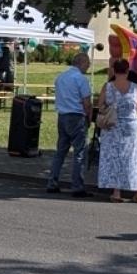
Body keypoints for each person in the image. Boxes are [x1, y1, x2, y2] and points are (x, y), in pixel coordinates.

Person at [45, 51, 95, 197]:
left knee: (60, 151)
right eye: (87, 64)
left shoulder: (60, 77)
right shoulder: (81, 79)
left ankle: (52, 182)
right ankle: (77, 186)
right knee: (79, 153)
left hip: (62, 116)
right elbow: (87, 103)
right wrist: (89, 118)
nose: (88, 67)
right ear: (82, 63)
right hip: (77, 116)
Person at [95, 58, 137, 202]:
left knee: (115, 157)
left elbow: (101, 106)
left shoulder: (108, 87)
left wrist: (112, 108)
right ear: (128, 71)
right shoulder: (135, 87)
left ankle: (117, 193)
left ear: (114, 71)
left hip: (113, 125)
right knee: (133, 158)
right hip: (131, 125)